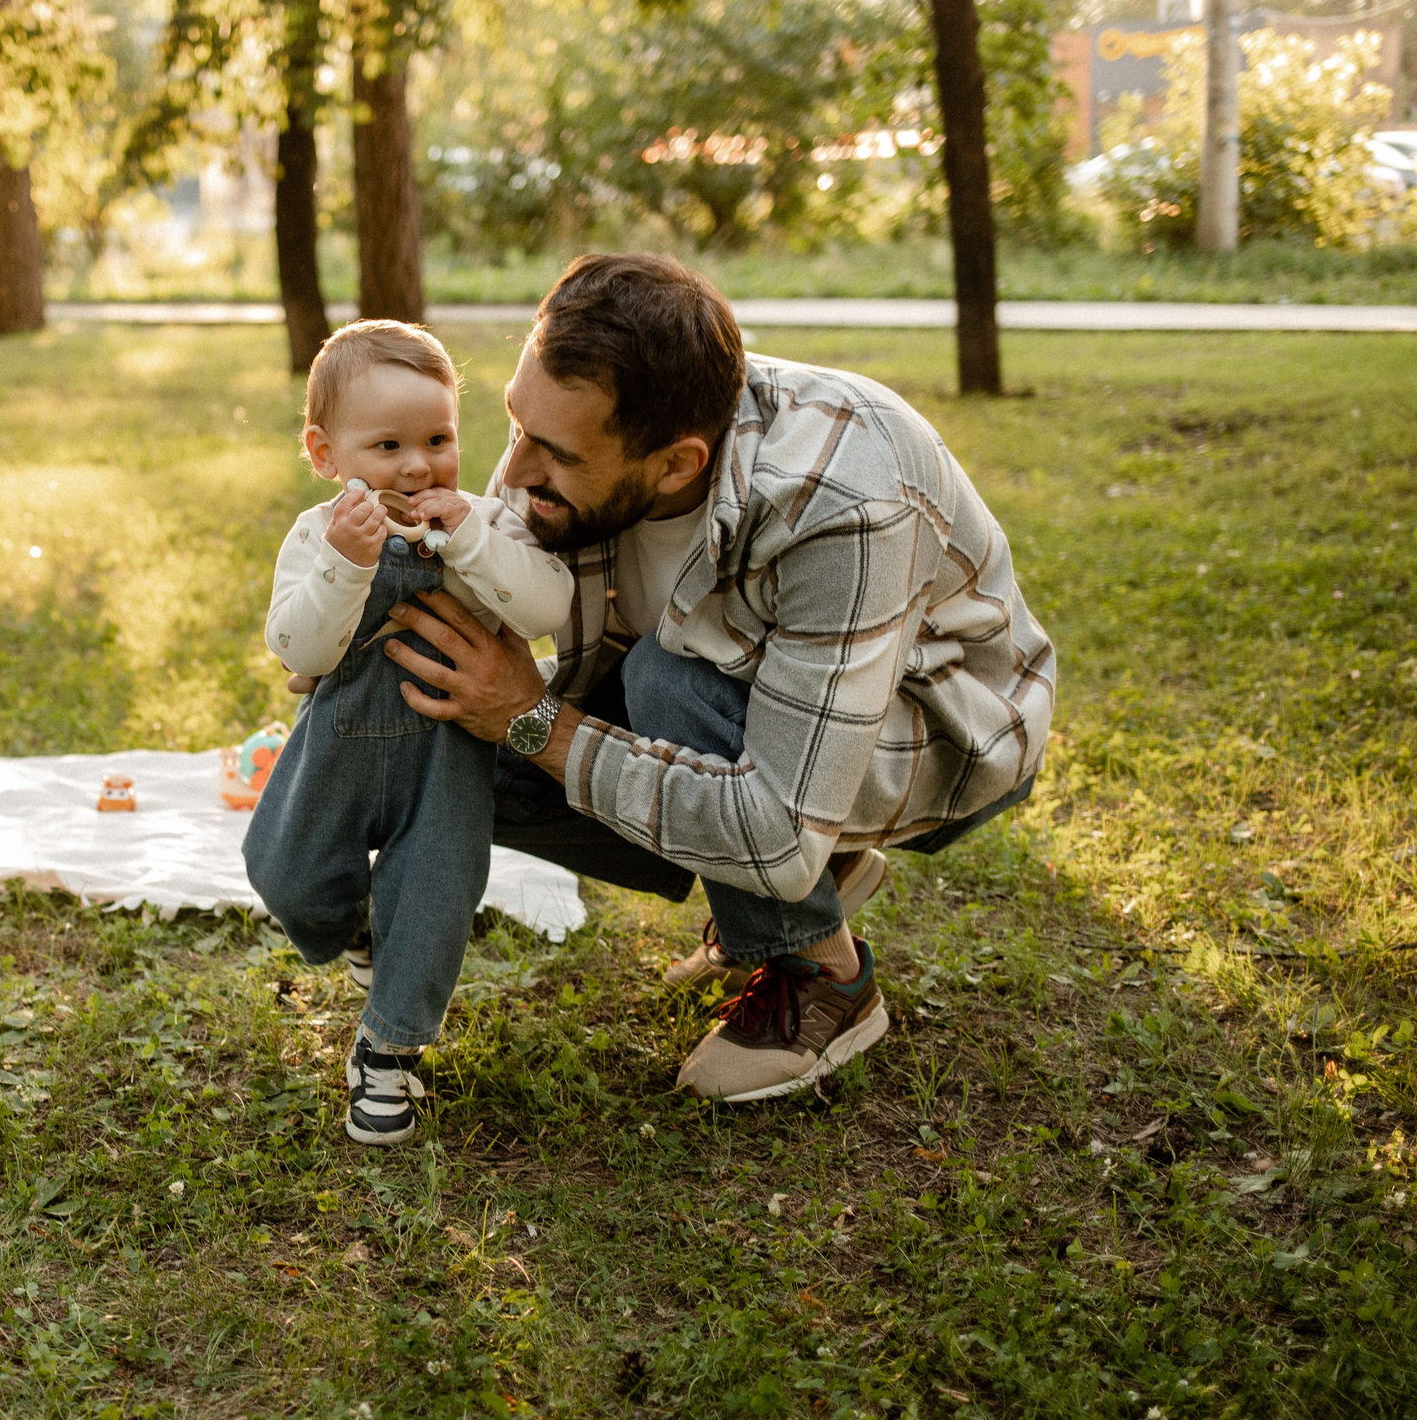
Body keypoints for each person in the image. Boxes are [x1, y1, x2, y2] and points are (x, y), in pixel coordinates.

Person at [360, 254, 1055, 1103]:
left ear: (677, 465)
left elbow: (772, 830)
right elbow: (489, 572)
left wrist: (533, 718)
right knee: (433, 719)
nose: (516, 473)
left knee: (666, 679)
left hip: (945, 726)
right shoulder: (595, 429)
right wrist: (354, 629)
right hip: (770, 698)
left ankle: (824, 978)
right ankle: (822, 881)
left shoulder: (843, 502)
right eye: (516, 426)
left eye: (557, 454)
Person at [244, 320, 574, 1145]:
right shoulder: (320, 538)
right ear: (326, 454)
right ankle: (349, 924)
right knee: (284, 871)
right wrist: (349, 567)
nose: (418, 465)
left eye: (437, 438)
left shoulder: (484, 524)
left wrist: (466, 538)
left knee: (434, 899)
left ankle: (388, 1048)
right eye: (386, 444)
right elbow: (297, 646)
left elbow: (544, 608)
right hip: (339, 747)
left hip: (447, 760)